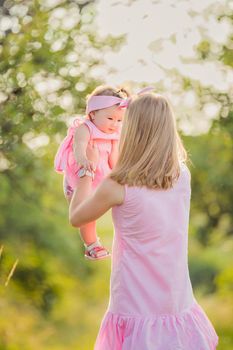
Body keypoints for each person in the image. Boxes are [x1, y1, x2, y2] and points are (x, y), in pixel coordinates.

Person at [69, 93, 219, 349]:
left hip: (135, 301)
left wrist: (87, 169)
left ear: (132, 130)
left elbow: (77, 217)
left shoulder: (118, 185)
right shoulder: (181, 174)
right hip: (176, 298)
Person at [54, 85, 129, 260]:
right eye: (110, 118)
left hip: (100, 179)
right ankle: (92, 245)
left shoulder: (114, 134)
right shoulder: (85, 128)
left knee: (106, 208)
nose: (115, 124)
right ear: (93, 114)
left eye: (119, 120)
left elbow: (114, 158)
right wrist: (84, 161)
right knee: (86, 215)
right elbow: (78, 147)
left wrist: (121, 173)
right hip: (79, 179)